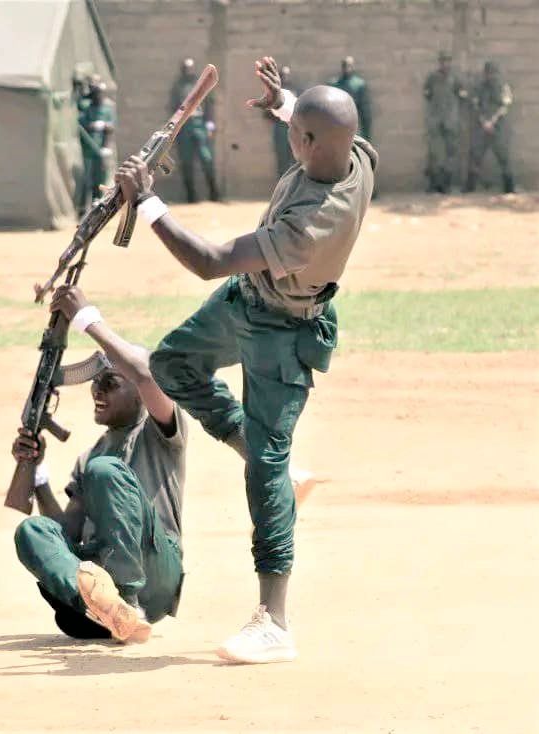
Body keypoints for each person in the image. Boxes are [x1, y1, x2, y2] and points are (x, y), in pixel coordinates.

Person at [115, 56, 377, 664]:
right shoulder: (357, 155)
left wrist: (148, 202)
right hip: (247, 302)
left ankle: (274, 622)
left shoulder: (316, 221)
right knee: (174, 364)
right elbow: (323, 130)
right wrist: (286, 103)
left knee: (264, 466)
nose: (289, 136)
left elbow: (209, 260)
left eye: (294, 132)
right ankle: (272, 463)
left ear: (310, 144)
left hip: (284, 333)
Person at [12, 285, 186, 644]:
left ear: (137, 390)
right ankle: (99, 608)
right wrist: (38, 472)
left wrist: (87, 319)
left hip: (156, 570)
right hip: (102, 566)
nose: (97, 391)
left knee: (104, 471)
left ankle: (128, 600)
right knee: (32, 532)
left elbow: (146, 375)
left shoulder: (160, 431)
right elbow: (68, 531)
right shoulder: (89, 456)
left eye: (110, 382)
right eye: (95, 384)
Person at [170, 57, 221, 203]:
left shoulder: (200, 86)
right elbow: (173, 107)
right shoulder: (178, 87)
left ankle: (214, 194)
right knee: (186, 161)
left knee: (207, 159)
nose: (188, 71)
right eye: (186, 69)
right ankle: (191, 197)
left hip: (200, 125)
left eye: (190, 68)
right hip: (184, 126)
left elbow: (209, 107)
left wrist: (210, 126)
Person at [465, 61, 514, 194]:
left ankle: (509, 188)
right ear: (485, 74)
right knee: (475, 156)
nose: (491, 76)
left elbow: (505, 106)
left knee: (503, 157)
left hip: (498, 128)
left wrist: (492, 121)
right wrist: (483, 122)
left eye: (493, 73)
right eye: (488, 73)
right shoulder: (478, 88)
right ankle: (470, 188)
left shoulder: (503, 87)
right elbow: (475, 106)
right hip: (481, 128)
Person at [423, 51, 468, 193]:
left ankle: (448, 185)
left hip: (451, 120)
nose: (445, 64)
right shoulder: (432, 78)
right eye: (443, 61)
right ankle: (434, 185)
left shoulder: (455, 78)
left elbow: (462, 95)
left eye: (448, 61)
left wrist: (462, 95)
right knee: (435, 153)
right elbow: (427, 94)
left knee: (451, 154)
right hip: (436, 121)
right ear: (439, 62)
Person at [77, 77, 116, 215]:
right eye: (97, 93)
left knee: (100, 179)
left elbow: (110, 129)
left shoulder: (108, 108)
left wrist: (107, 148)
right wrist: (92, 125)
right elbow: (81, 124)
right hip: (88, 149)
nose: (99, 97)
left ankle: (98, 206)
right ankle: (82, 209)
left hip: (101, 149)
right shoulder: (86, 107)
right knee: (87, 179)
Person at [267, 64, 303, 178]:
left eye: (287, 75)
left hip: (293, 127)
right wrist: (278, 115)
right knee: (282, 159)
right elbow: (266, 112)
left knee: (296, 158)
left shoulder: (295, 90)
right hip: (279, 128)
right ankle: (283, 188)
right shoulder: (274, 92)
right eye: (283, 75)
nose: (285, 77)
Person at [329, 56, 372, 141]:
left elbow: (364, 110)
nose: (347, 68)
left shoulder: (359, 84)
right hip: (336, 122)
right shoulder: (334, 84)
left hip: (352, 122)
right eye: (345, 65)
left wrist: (366, 134)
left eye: (349, 65)